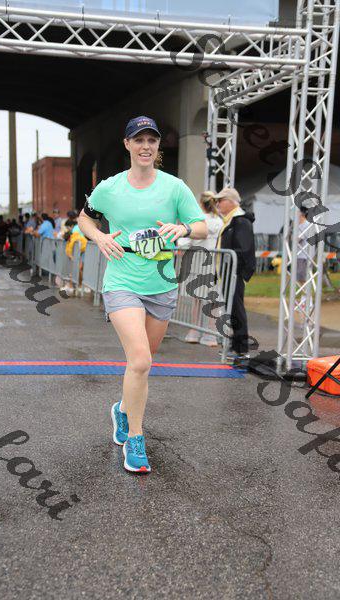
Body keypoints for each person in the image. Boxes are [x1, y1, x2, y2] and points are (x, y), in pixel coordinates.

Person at [78, 115, 207, 474]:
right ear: (128, 145)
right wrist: (99, 236)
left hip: (162, 284)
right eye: (139, 140)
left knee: (143, 362)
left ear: (157, 146)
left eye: (152, 140)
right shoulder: (110, 188)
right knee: (139, 361)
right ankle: (135, 439)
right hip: (122, 280)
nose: (146, 146)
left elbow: (201, 226)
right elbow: (85, 218)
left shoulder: (174, 187)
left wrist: (182, 228)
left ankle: (122, 410)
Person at [215, 187, 256, 361]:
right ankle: (236, 346)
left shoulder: (240, 221)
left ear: (231, 202)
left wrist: (236, 271)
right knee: (232, 309)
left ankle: (242, 349)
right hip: (228, 272)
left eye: (220, 200)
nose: (217, 204)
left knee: (236, 309)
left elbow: (243, 249)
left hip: (234, 273)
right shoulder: (231, 220)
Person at [182, 191, 223, 346]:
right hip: (213, 263)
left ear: (200, 203)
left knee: (197, 299)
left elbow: (186, 242)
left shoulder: (198, 221)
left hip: (197, 262)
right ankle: (210, 334)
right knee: (213, 299)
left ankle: (194, 332)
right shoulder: (219, 221)